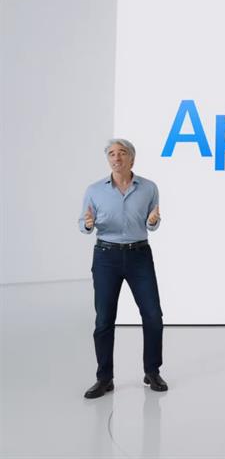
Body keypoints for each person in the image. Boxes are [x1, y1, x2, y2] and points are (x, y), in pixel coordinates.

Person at [79, 139, 168, 398]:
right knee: (104, 320)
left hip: (139, 255)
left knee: (153, 315)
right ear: (108, 159)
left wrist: (153, 221)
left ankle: (152, 371)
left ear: (132, 158)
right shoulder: (94, 190)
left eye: (122, 153)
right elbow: (82, 223)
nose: (116, 158)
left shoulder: (149, 188)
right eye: (111, 154)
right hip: (106, 256)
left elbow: (151, 223)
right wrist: (87, 224)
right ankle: (104, 377)